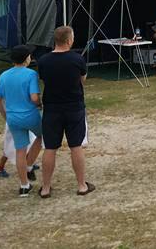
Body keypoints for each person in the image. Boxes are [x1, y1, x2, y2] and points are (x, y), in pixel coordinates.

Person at [37, 26, 94, 198]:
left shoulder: (44, 60)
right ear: (69, 40)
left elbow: (43, 79)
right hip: (74, 107)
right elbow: (82, 79)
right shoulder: (77, 59)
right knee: (76, 146)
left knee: (50, 147)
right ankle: (81, 185)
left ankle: (46, 187)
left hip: (52, 108)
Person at [0, 45, 44, 196]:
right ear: (26, 58)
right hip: (30, 115)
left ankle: (24, 185)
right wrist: (40, 104)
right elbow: (34, 97)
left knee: (20, 150)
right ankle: (29, 166)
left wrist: (5, 115)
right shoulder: (30, 74)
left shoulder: (4, 75)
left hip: (13, 117)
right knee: (42, 137)